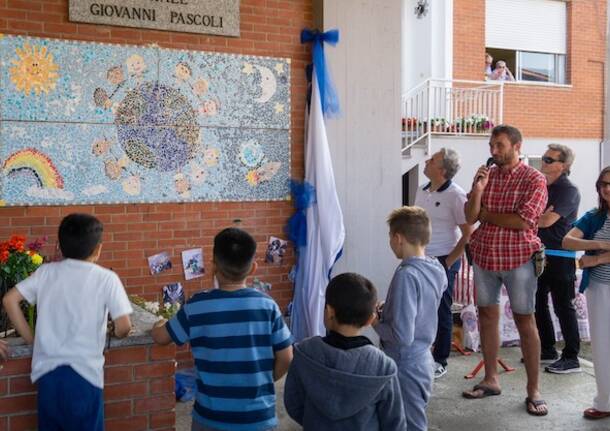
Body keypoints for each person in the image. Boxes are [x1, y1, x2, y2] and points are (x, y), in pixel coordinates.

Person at [151, 227, 293, 431]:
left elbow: (161, 337)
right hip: (257, 417)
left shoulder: (196, 306)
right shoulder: (267, 305)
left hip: (210, 417)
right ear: (253, 268)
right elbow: (287, 358)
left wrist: (157, 324)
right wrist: (264, 381)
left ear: (213, 266)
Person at [2, 213, 133, 431]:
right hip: (86, 377)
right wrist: (117, 333)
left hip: (48, 377)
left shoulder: (45, 272)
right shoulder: (106, 278)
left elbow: (9, 300)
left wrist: (31, 339)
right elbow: (124, 326)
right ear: (98, 249)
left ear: (60, 247)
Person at [462, 125, 549, 416]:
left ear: (517, 146)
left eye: (499, 145)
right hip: (485, 256)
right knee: (487, 315)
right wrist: (478, 190)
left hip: (520, 258)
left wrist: (487, 215)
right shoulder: (488, 177)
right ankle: (490, 379)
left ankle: (533, 390)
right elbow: (470, 216)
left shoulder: (534, 178)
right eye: (491, 145)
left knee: (526, 321)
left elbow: (523, 221)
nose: (494, 151)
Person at [284, 272, 406, 430]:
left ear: (329, 312)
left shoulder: (304, 352)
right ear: (370, 319)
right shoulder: (383, 366)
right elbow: (394, 423)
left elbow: (293, 403)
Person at [373, 206, 447, 431]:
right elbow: (423, 304)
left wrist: (374, 322)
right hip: (423, 357)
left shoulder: (407, 275)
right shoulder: (436, 267)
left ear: (398, 238)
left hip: (405, 363)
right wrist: (391, 308)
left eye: (390, 237)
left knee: (409, 425)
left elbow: (402, 336)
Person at [415, 148, 472, 379]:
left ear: (442, 169)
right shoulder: (422, 190)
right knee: (420, 307)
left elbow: (468, 233)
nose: (426, 161)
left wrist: (448, 262)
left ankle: (440, 360)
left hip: (443, 258)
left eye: (432, 160)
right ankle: (421, 353)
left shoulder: (456, 195)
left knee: (441, 308)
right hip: (421, 256)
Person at [562, 166, 610, 420]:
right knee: (602, 346)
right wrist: (600, 245)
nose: (607, 188)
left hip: (599, 278)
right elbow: (567, 241)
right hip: (600, 289)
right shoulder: (594, 216)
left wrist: (595, 259)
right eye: (603, 184)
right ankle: (604, 403)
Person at [535, 144, 582, 373]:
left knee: (563, 306)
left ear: (563, 166)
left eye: (549, 159)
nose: (544, 162)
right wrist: (537, 215)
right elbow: (538, 218)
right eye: (544, 158)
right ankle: (547, 349)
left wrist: (532, 216)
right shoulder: (542, 186)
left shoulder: (568, 190)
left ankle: (571, 357)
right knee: (537, 303)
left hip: (561, 256)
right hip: (539, 254)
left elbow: (546, 222)